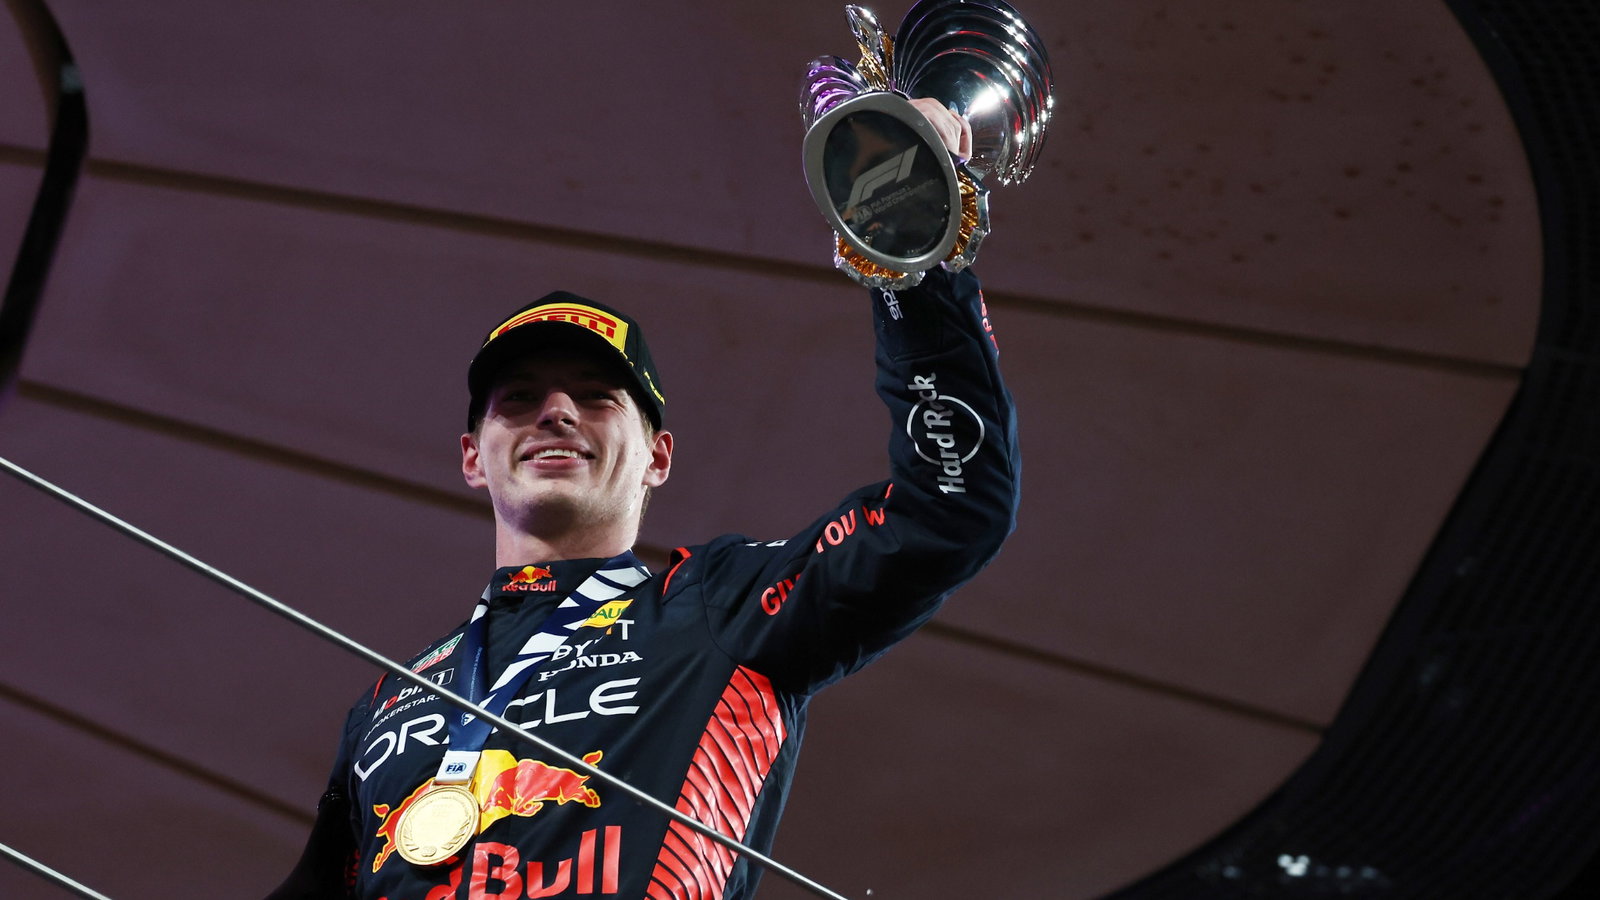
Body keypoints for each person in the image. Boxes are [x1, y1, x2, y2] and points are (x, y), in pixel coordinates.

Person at [267, 100, 1015, 900]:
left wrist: (909, 256)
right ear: (471, 460)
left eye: (596, 397)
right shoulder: (391, 698)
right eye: (518, 398)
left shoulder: (722, 608)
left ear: (659, 458)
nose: (556, 412)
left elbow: (945, 511)